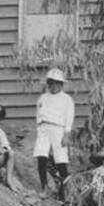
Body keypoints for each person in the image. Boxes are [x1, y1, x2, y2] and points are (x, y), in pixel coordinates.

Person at [33, 68, 74, 197]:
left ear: (61, 85)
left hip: (58, 129)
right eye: (51, 83)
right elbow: (39, 115)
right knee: (42, 156)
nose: (54, 86)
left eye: (57, 83)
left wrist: (66, 134)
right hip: (44, 128)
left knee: (60, 159)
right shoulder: (43, 98)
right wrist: (40, 130)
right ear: (48, 83)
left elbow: (69, 117)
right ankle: (44, 187)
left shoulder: (66, 99)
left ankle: (64, 191)